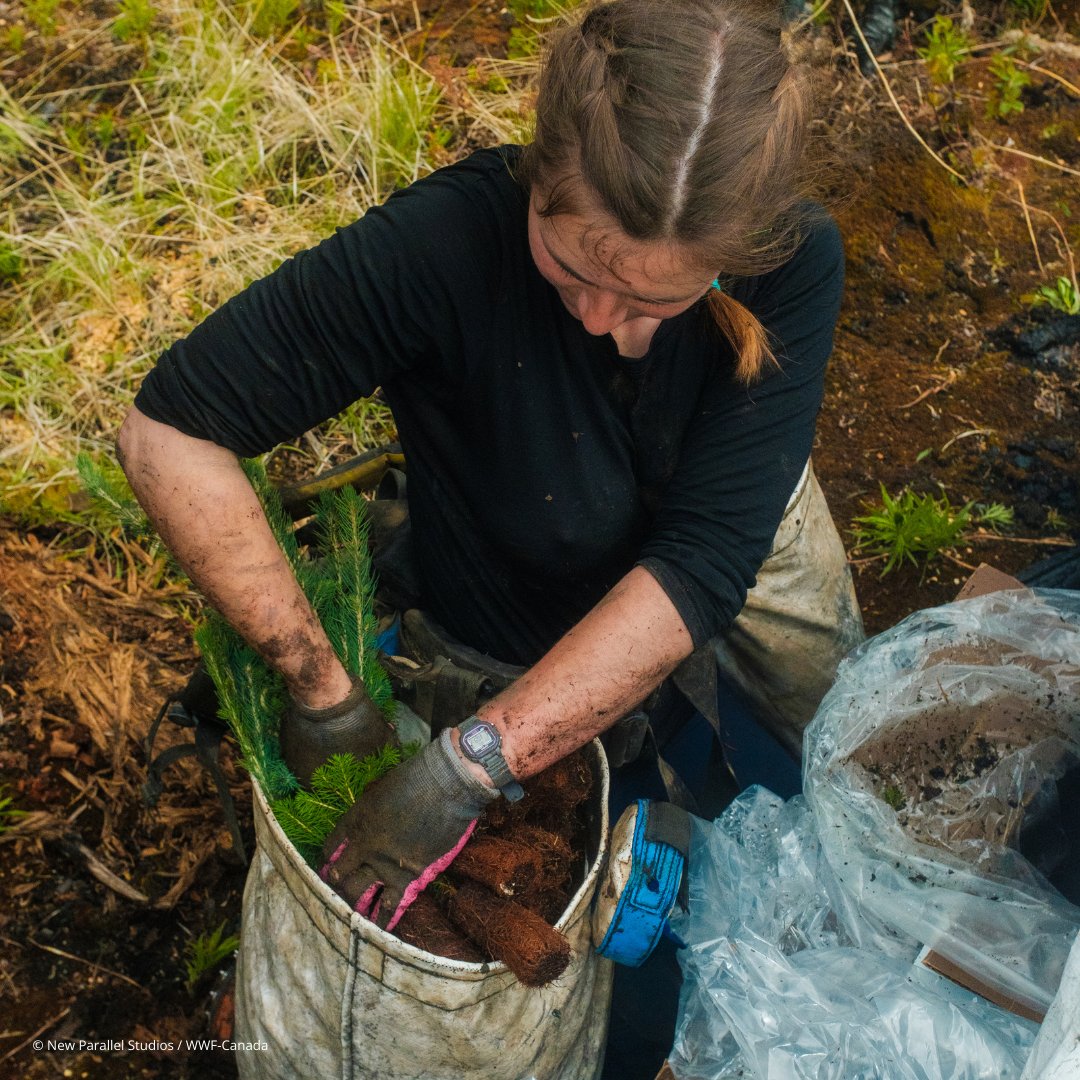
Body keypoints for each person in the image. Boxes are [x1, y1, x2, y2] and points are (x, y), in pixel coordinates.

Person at [118, 0, 863, 1072]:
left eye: (657, 298)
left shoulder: (794, 258)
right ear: (538, 182)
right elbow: (170, 432)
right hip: (502, 610)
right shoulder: (445, 247)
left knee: (830, 769)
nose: (602, 321)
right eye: (571, 271)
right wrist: (323, 691)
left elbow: (706, 560)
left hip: (718, 563)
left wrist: (467, 768)